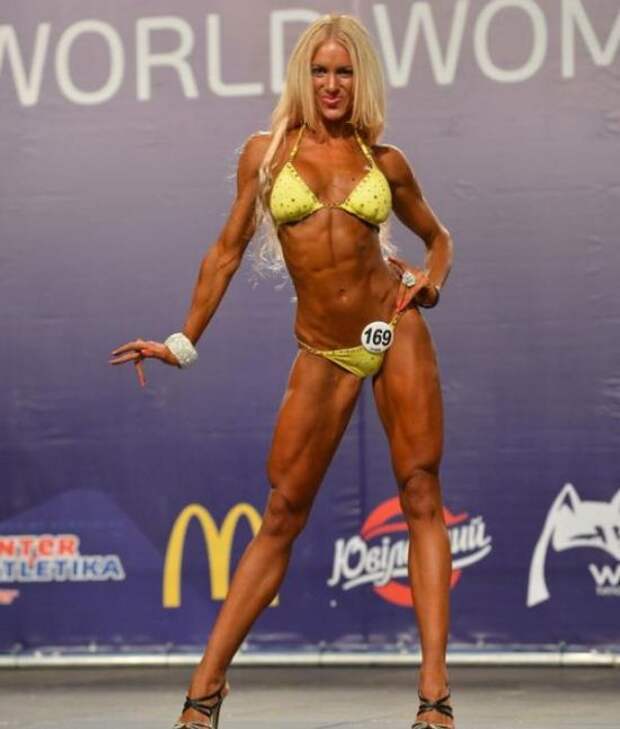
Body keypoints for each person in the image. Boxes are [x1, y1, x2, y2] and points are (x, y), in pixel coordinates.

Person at [110, 13, 455, 729]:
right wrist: (182, 341)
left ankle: (434, 698)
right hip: (323, 350)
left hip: (394, 328)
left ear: (361, 80)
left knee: (421, 493)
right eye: (321, 71)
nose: (332, 84)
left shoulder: (385, 161)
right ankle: (205, 691)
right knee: (281, 515)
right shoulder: (266, 156)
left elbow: (438, 237)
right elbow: (226, 252)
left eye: (345, 72)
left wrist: (430, 281)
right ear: (303, 76)